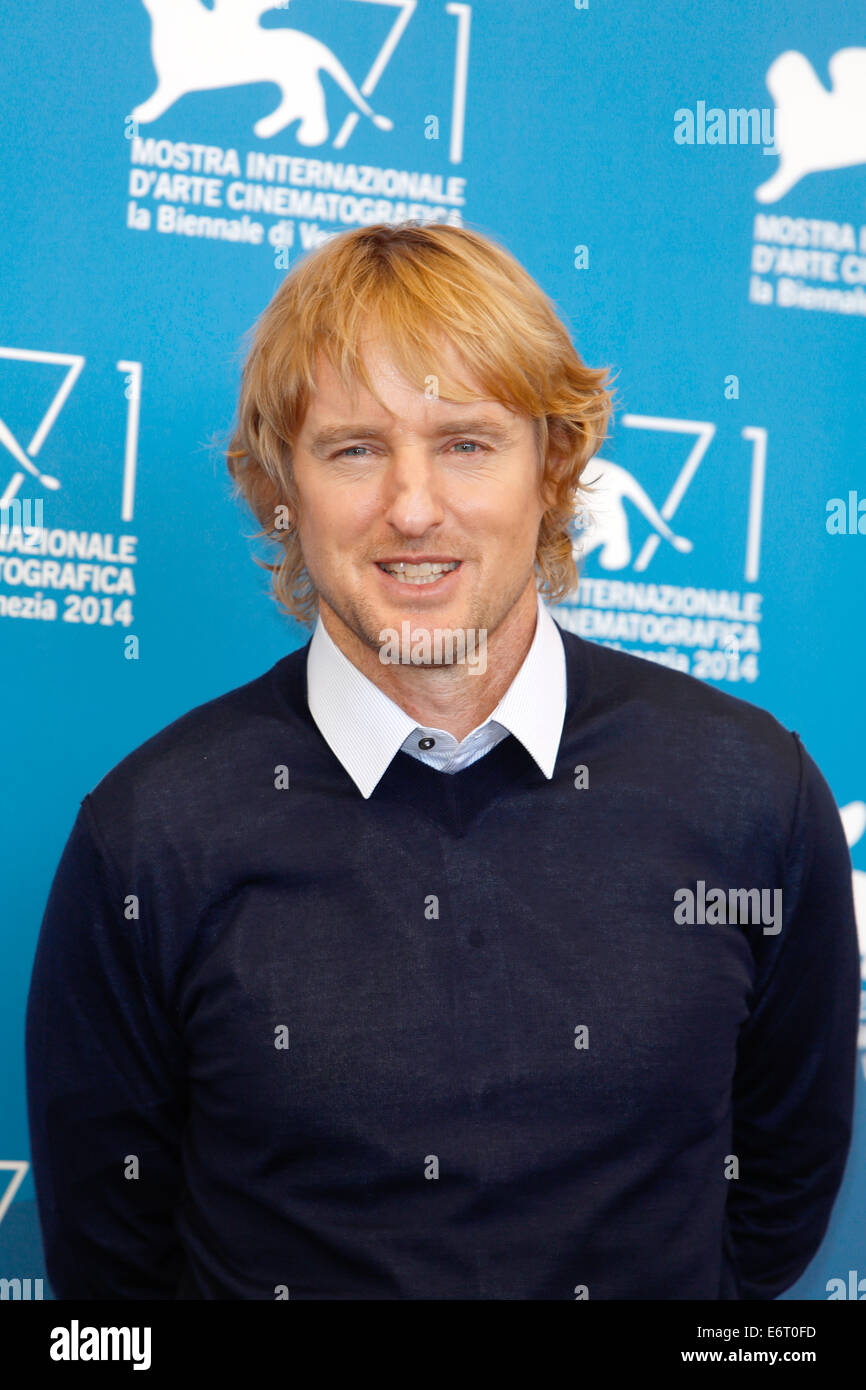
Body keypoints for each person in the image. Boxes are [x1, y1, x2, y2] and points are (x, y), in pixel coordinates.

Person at [25, 222, 859, 1300]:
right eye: (353, 449)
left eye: (465, 443)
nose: (411, 507)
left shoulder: (751, 794)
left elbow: (776, 1187)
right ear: (282, 486)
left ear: (551, 468)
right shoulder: (151, 834)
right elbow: (110, 1263)